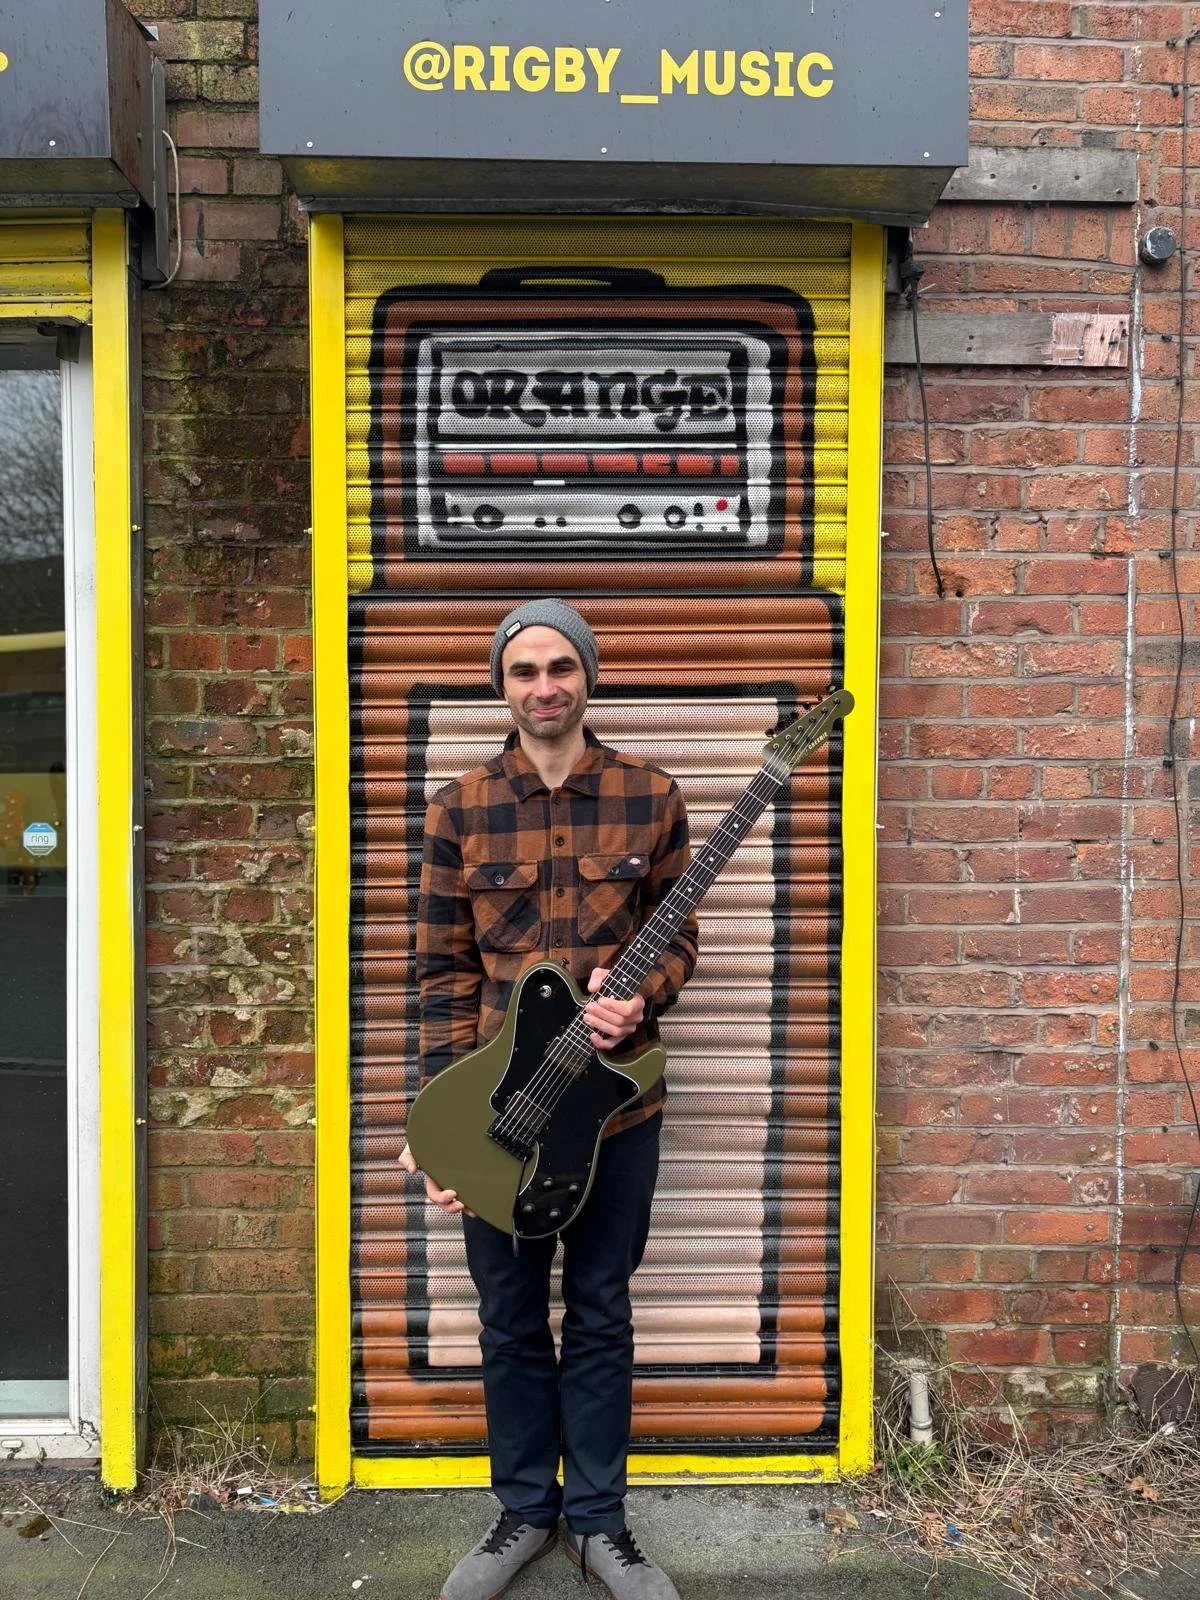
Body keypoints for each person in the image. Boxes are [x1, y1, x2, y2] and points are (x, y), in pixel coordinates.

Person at [400, 598, 698, 1600]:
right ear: (502, 685)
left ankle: (601, 1525)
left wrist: (644, 997)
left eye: (560, 666)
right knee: (511, 1319)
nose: (544, 687)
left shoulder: (652, 796)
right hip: (503, 1116)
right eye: (524, 670)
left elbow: (679, 934)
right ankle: (525, 1512)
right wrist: (441, 1133)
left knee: (603, 1311)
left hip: (617, 1112)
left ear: (588, 677)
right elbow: (443, 975)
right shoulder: (459, 807)